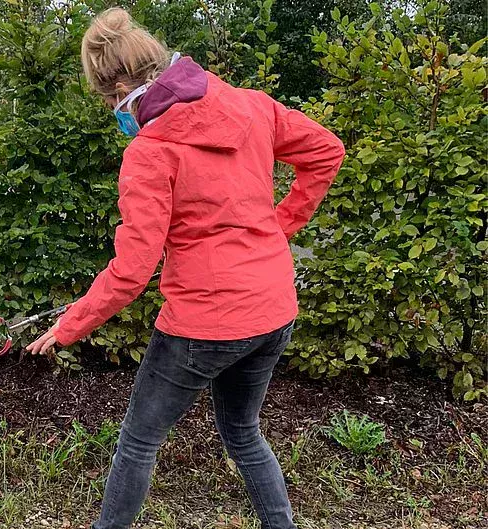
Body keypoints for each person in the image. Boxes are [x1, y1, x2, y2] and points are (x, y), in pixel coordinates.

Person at [28, 8, 345, 529]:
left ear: (129, 85)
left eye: (111, 100)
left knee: (137, 442)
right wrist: (278, 227)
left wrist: (70, 325)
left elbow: (132, 270)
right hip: (273, 309)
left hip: (206, 322)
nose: (115, 112)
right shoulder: (251, 106)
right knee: (242, 432)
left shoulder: (151, 153)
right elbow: (325, 152)